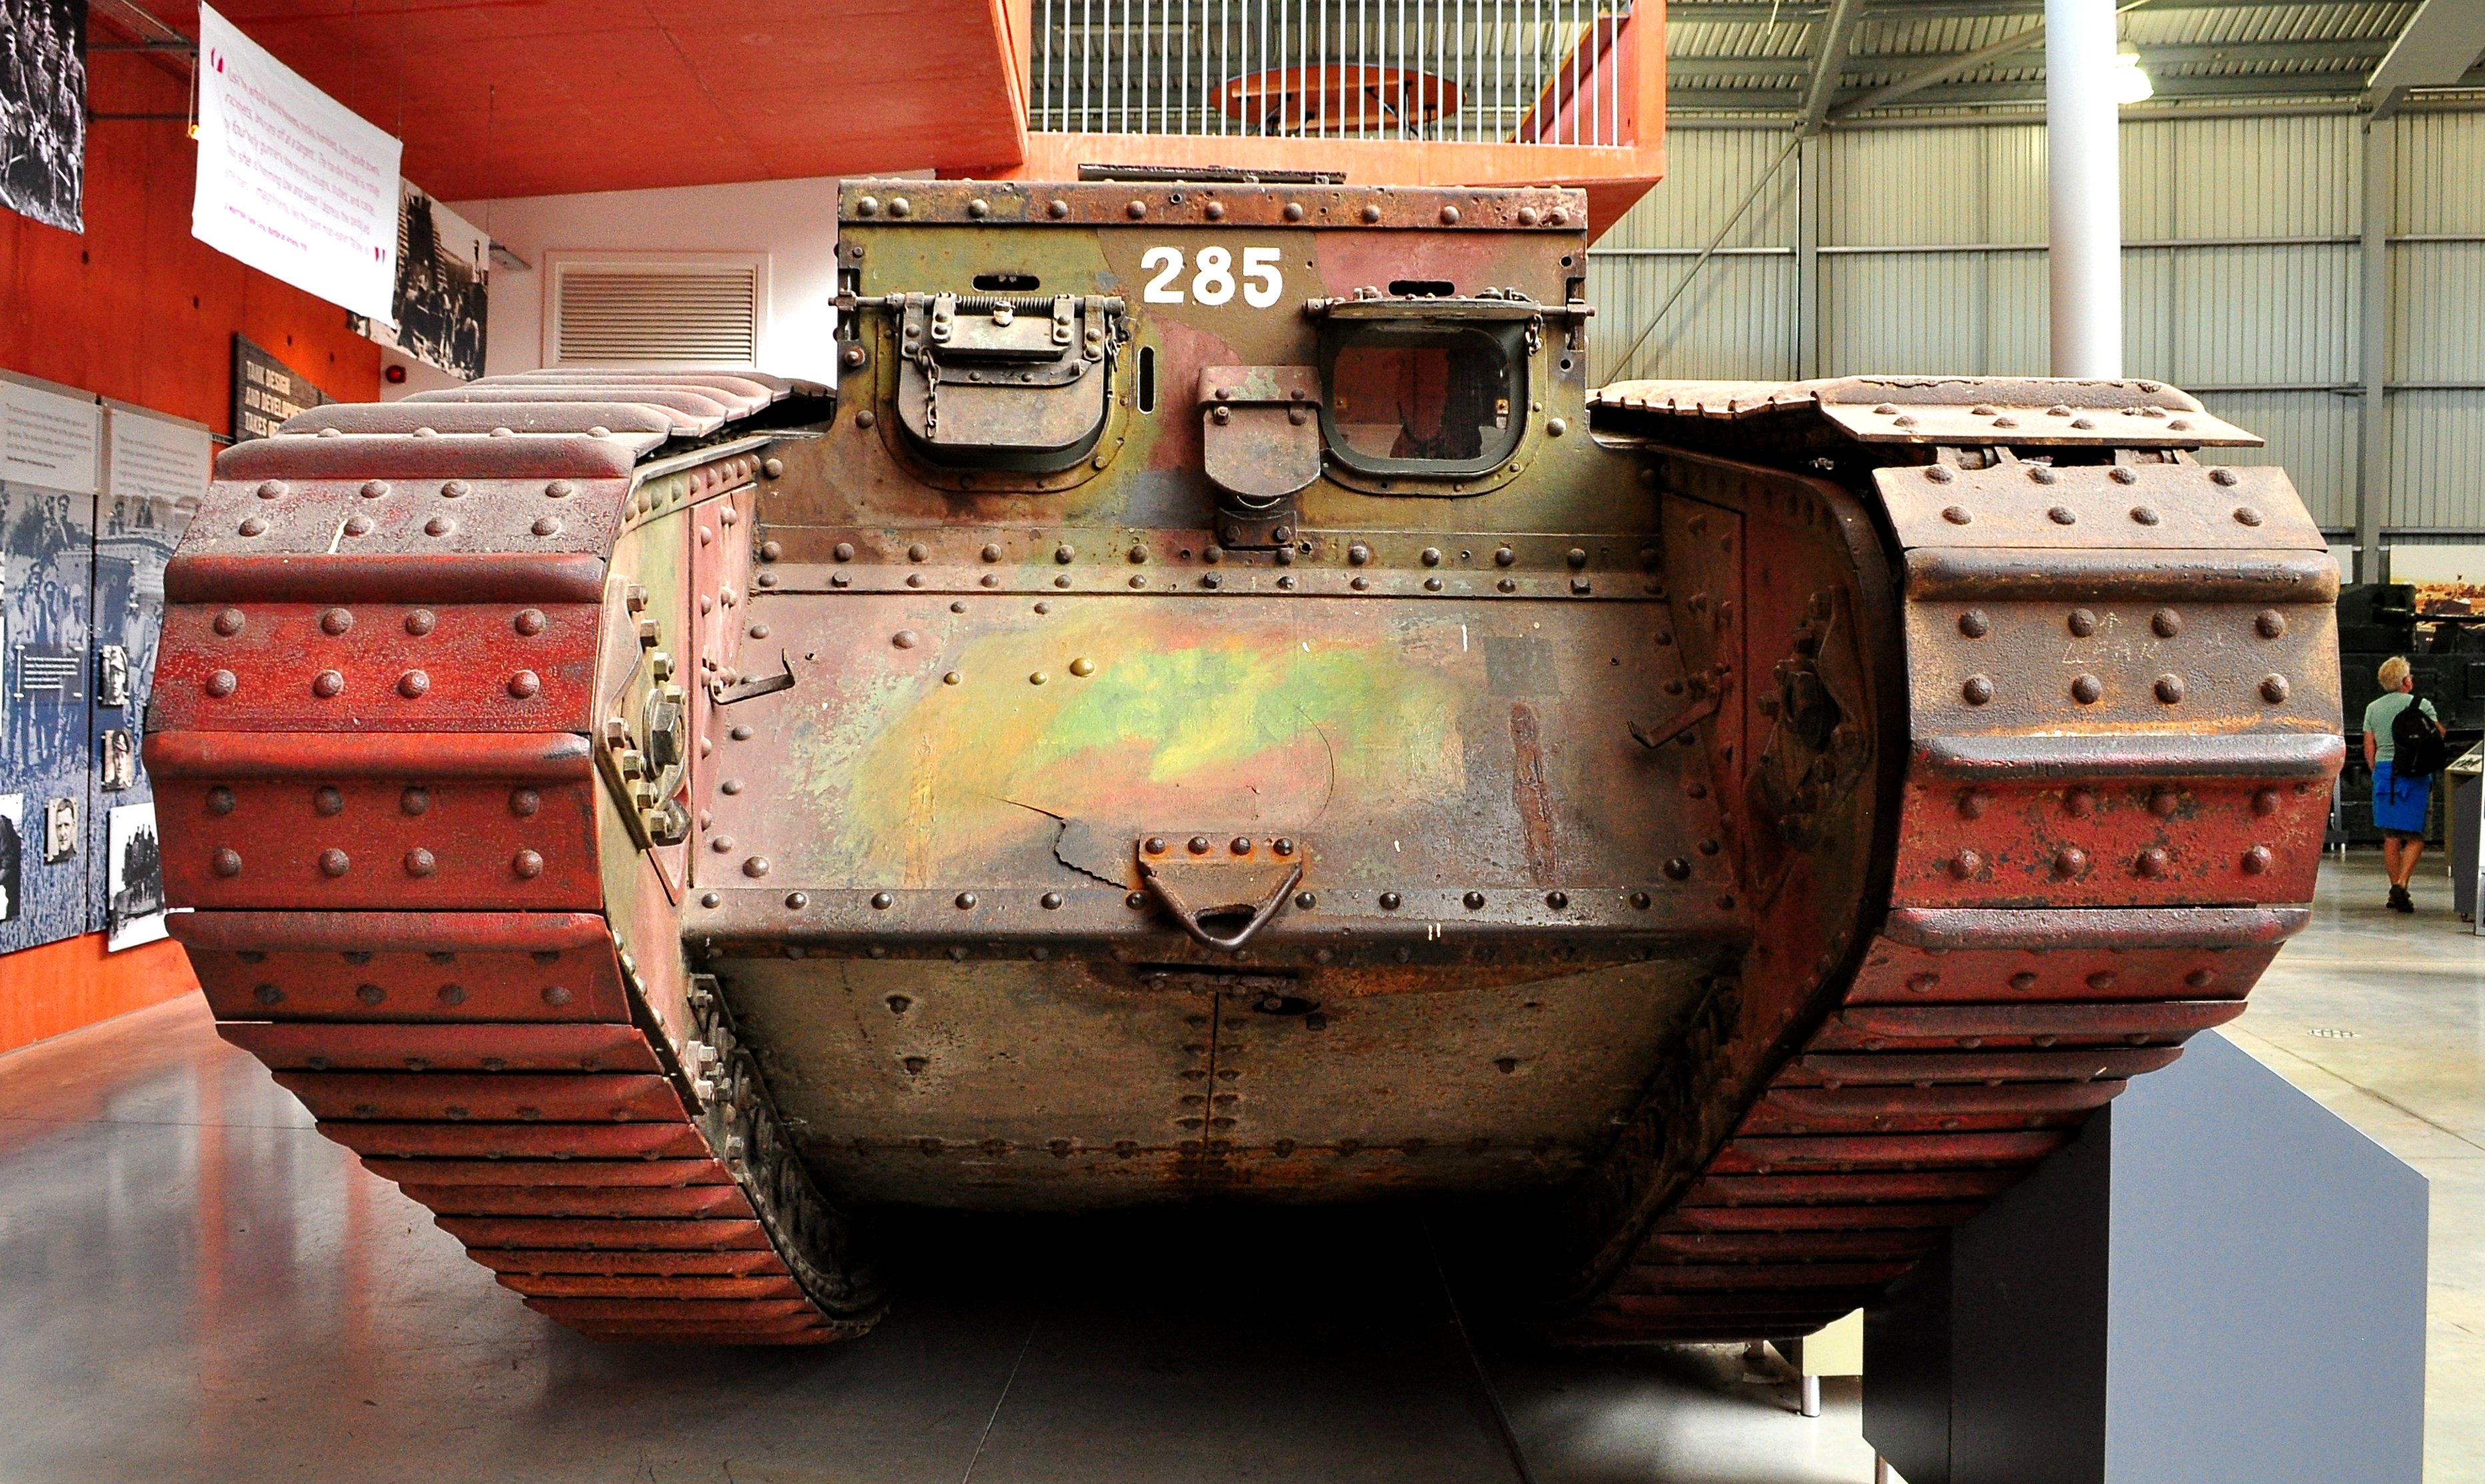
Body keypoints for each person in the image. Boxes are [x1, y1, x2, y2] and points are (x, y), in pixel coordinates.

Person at [2364, 656, 2444, 913]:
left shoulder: (2373, 708)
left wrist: (2377, 771)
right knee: (2417, 835)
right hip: (2415, 773)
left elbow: (2369, 746)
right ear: (2406, 680)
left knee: (2391, 836)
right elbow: (2439, 734)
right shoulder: (2421, 704)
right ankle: (2402, 883)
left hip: (2385, 773)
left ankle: (2393, 891)